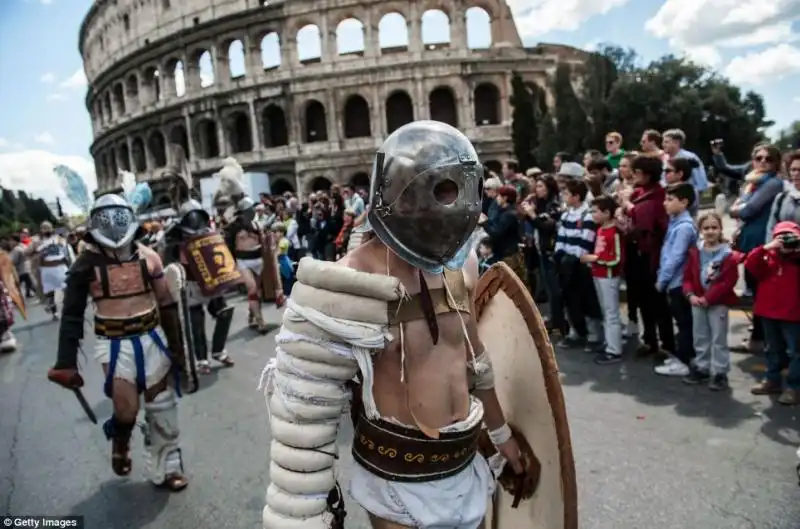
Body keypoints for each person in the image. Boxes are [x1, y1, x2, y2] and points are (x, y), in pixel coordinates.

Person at [260, 121, 524, 529]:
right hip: (397, 484)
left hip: (465, 468)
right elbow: (302, 425)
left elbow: (475, 363)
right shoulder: (342, 289)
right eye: (445, 190)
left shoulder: (462, 267)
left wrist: (502, 435)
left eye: (467, 190)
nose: (462, 208)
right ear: (401, 194)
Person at [46, 193, 191, 491]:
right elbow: (72, 316)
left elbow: (165, 304)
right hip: (113, 343)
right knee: (126, 410)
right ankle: (121, 441)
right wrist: (66, 362)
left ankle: (168, 468)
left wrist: (178, 351)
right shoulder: (84, 266)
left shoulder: (148, 257)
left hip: (152, 337)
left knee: (162, 404)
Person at [161, 199, 236, 375]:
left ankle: (218, 351)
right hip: (190, 284)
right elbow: (167, 263)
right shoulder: (173, 237)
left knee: (225, 313)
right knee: (196, 324)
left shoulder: (209, 234)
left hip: (210, 281)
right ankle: (202, 360)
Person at [217, 158, 283, 333]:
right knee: (252, 289)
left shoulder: (257, 225)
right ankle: (260, 322)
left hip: (258, 259)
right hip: (243, 261)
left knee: (258, 292)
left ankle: (251, 315)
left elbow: (267, 241)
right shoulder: (233, 225)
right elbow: (227, 241)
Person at [682, 212, 741, 391]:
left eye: (714, 227)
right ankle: (702, 367)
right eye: (706, 228)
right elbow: (687, 278)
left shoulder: (728, 255)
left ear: (721, 229)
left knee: (718, 338)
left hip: (717, 303)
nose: (710, 231)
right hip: (697, 302)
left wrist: (708, 298)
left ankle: (720, 372)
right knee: (700, 335)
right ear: (700, 230)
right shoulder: (695, 252)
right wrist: (690, 295)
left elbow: (727, 282)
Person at [746, 221, 800, 405]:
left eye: (789, 237)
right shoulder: (768, 258)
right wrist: (765, 248)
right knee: (771, 349)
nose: (785, 242)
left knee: (795, 352)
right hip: (768, 312)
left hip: (793, 314)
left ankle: (794, 387)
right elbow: (750, 263)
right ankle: (772, 380)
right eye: (781, 237)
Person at [654, 183, 698, 377]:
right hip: (674, 281)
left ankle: (684, 360)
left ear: (684, 202)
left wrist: (662, 280)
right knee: (681, 321)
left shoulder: (684, 227)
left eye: (670, 200)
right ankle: (682, 356)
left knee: (684, 323)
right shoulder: (675, 222)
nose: (665, 203)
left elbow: (676, 257)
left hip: (678, 282)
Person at [554, 179, 602, 349]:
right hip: (566, 265)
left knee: (586, 299)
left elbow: (585, 242)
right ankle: (576, 331)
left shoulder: (587, 216)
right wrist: (560, 254)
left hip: (579, 265)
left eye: (567, 193)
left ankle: (593, 335)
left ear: (576, 196)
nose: (564, 196)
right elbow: (561, 238)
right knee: (570, 299)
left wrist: (573, 257)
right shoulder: (567, 215)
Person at [581, 195, 624, 364]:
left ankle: (614, 349)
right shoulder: (601, 230)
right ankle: (609, 342)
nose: (593, 215)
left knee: (611, 312)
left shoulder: (614, 232)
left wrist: (595, 259)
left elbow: (616, 258)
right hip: (598, 274)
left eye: (596, 211)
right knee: (606, 312)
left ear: (607, 213)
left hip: (608, 276)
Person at [27, 221, 74, 319]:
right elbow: (27, 252)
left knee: (67, 289)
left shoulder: (59, 238)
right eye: (43, 228)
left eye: (48, 228)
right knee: (49, 293)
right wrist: (37, 251)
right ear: (41, 230)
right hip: (47, 270)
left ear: (52, 229)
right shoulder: (37, 241)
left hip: (61, 268)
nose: (46, 230)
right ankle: (54, 312)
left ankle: (68, 309)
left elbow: (68, 245)